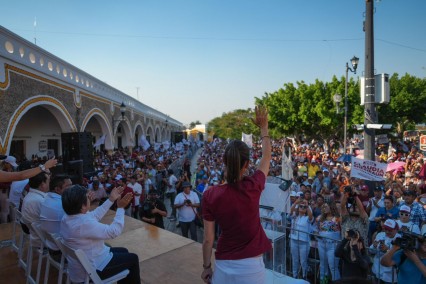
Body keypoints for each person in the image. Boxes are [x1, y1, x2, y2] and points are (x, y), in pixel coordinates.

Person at [201, 105, 271, 284]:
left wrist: (206, 267)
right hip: (252, 270)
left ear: (224, 161)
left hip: (223, 268)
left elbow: (208, 240)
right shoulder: (253, 186)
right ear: (247, 164)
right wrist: (263, 128)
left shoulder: (210, 195)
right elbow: (266, 156)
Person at [60, 185, 140, 284]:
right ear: (82, 206)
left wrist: (111, 200)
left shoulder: (67, 218)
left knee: (124, 251)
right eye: (87, 198)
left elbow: (94, 215)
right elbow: (113, 232)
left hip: (82, 266)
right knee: (133, 259)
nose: (90, 199)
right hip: (92, 270)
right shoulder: (83, 223)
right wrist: (120, 208)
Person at [39, 175, 72, 250]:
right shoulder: (62, 206)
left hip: (51, 244)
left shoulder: (46, 199)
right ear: (57, 189)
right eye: (68, 186)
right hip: (61, 249)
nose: (72, 188)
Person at [21, 172, 50, 247]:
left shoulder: (29, 195)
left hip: (34, 234)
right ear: (42, 184)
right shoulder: (40, 201)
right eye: (48, 181)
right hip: (41, 239)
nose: (50, 183)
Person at [289, 196, 314, 279]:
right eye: (301, 206)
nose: (302, 207)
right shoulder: (294, 216)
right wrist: (296, 202)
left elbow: (311, 216)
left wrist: (307, 205)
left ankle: (304, 276)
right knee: (295, 259)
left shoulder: (307, 218)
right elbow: (291, 210)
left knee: (303, 261)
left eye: (304, 207)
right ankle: (294, 276)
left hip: (304, 242)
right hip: (294, 240)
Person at [316, 202, 341, 282]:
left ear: (331, 206)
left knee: (333, 267)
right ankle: (324, 282)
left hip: (333, 246)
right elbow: (316, 230)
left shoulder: (337, 218)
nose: (324, 208)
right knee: (323, 266)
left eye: (326, 206)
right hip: (321, 245)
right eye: (323, 207)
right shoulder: (320, 218)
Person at [369, 219, 400, 283]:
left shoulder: (400, 239)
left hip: (389, 276)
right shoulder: (380, 234)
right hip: (376, 270)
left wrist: (387, 250)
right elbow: (371, 251)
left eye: (390, 230)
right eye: (386, 229)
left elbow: (398, 257)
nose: (387, 232)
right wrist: (374, 246)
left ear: (396, 229)